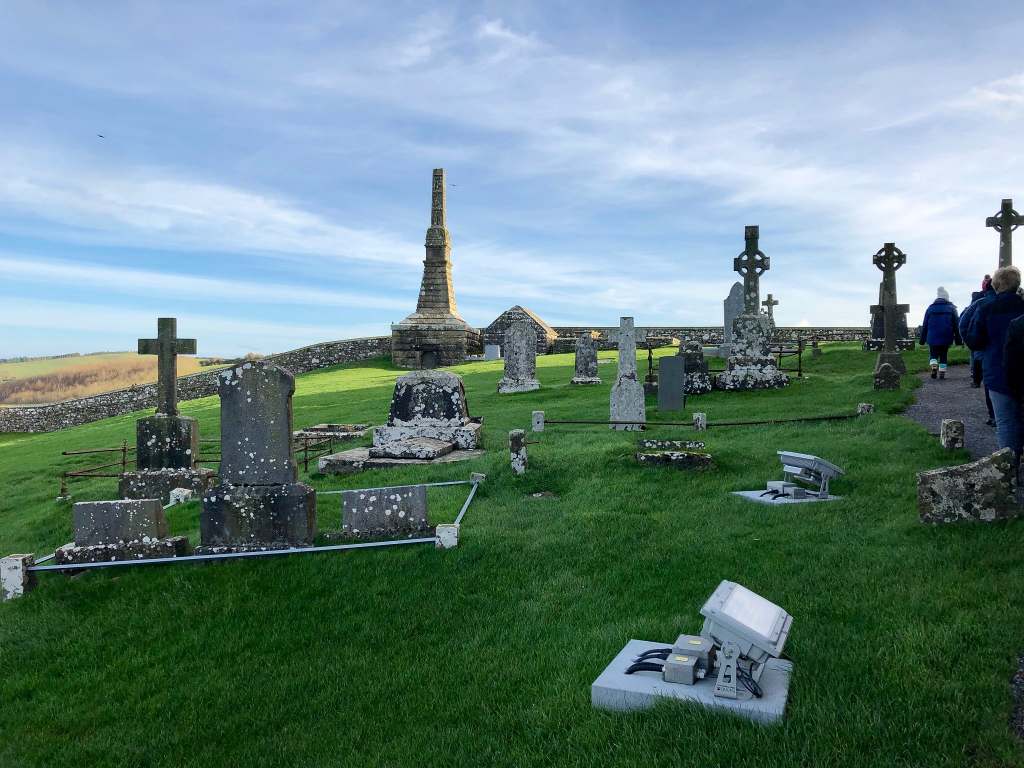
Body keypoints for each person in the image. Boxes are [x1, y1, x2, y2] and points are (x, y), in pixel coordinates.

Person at [965, 266, 1024, 459]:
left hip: (997, 372)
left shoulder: (985, 308)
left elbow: (974, 340)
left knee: (1005, 422)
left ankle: (1009, 471)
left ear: (996, 285)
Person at [961, 274, 997, 424]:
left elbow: (963, 324)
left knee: (990, 380)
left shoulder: (980, 303)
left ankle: (993, 416)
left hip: (984, 349)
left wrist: (973, 345)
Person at [918, 287, 961, 379]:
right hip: (946, 335)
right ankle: (942, 371)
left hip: (932, 336)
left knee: (933, 353)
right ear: (946, 298)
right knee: (943, 354)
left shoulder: (930, 308)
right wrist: (958, 340)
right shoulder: (951, 308)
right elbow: (956, 326)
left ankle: (934, 365)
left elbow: (925, 325)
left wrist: (922, 340)